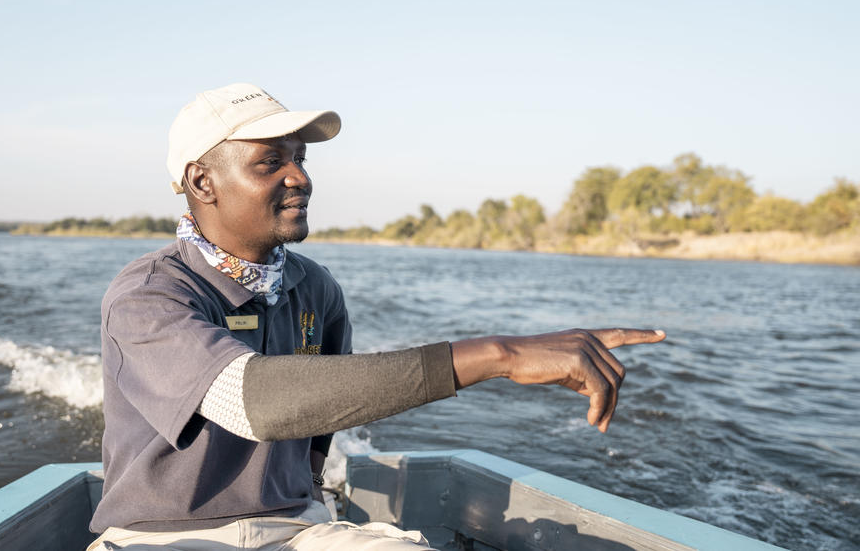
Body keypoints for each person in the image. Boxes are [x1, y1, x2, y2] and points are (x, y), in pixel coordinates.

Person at [87, 82, 666, 550]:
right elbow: (251, 401)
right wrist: (499, 356)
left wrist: (311, 501)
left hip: (292, 529)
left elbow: (319, 423)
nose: (301, 178)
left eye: (300, 159)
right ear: (200, 182)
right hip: (161, 539)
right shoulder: (149, 294)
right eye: (270, 163)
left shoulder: (313, 286)